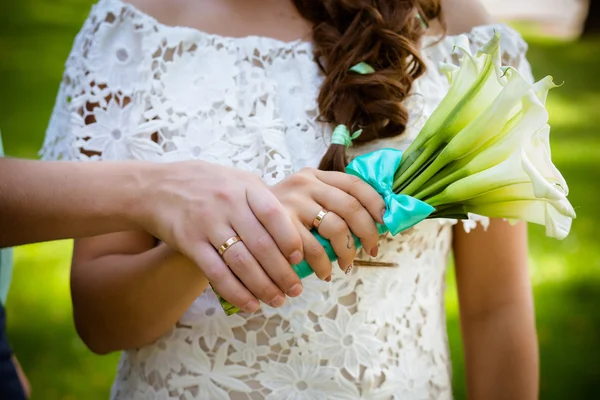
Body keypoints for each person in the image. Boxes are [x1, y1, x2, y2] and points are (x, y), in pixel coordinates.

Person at [40, 0, 539, 398]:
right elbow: (100, 324)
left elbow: (497, 308)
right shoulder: (132, 28)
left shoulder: (461, 32)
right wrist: (223, 242)